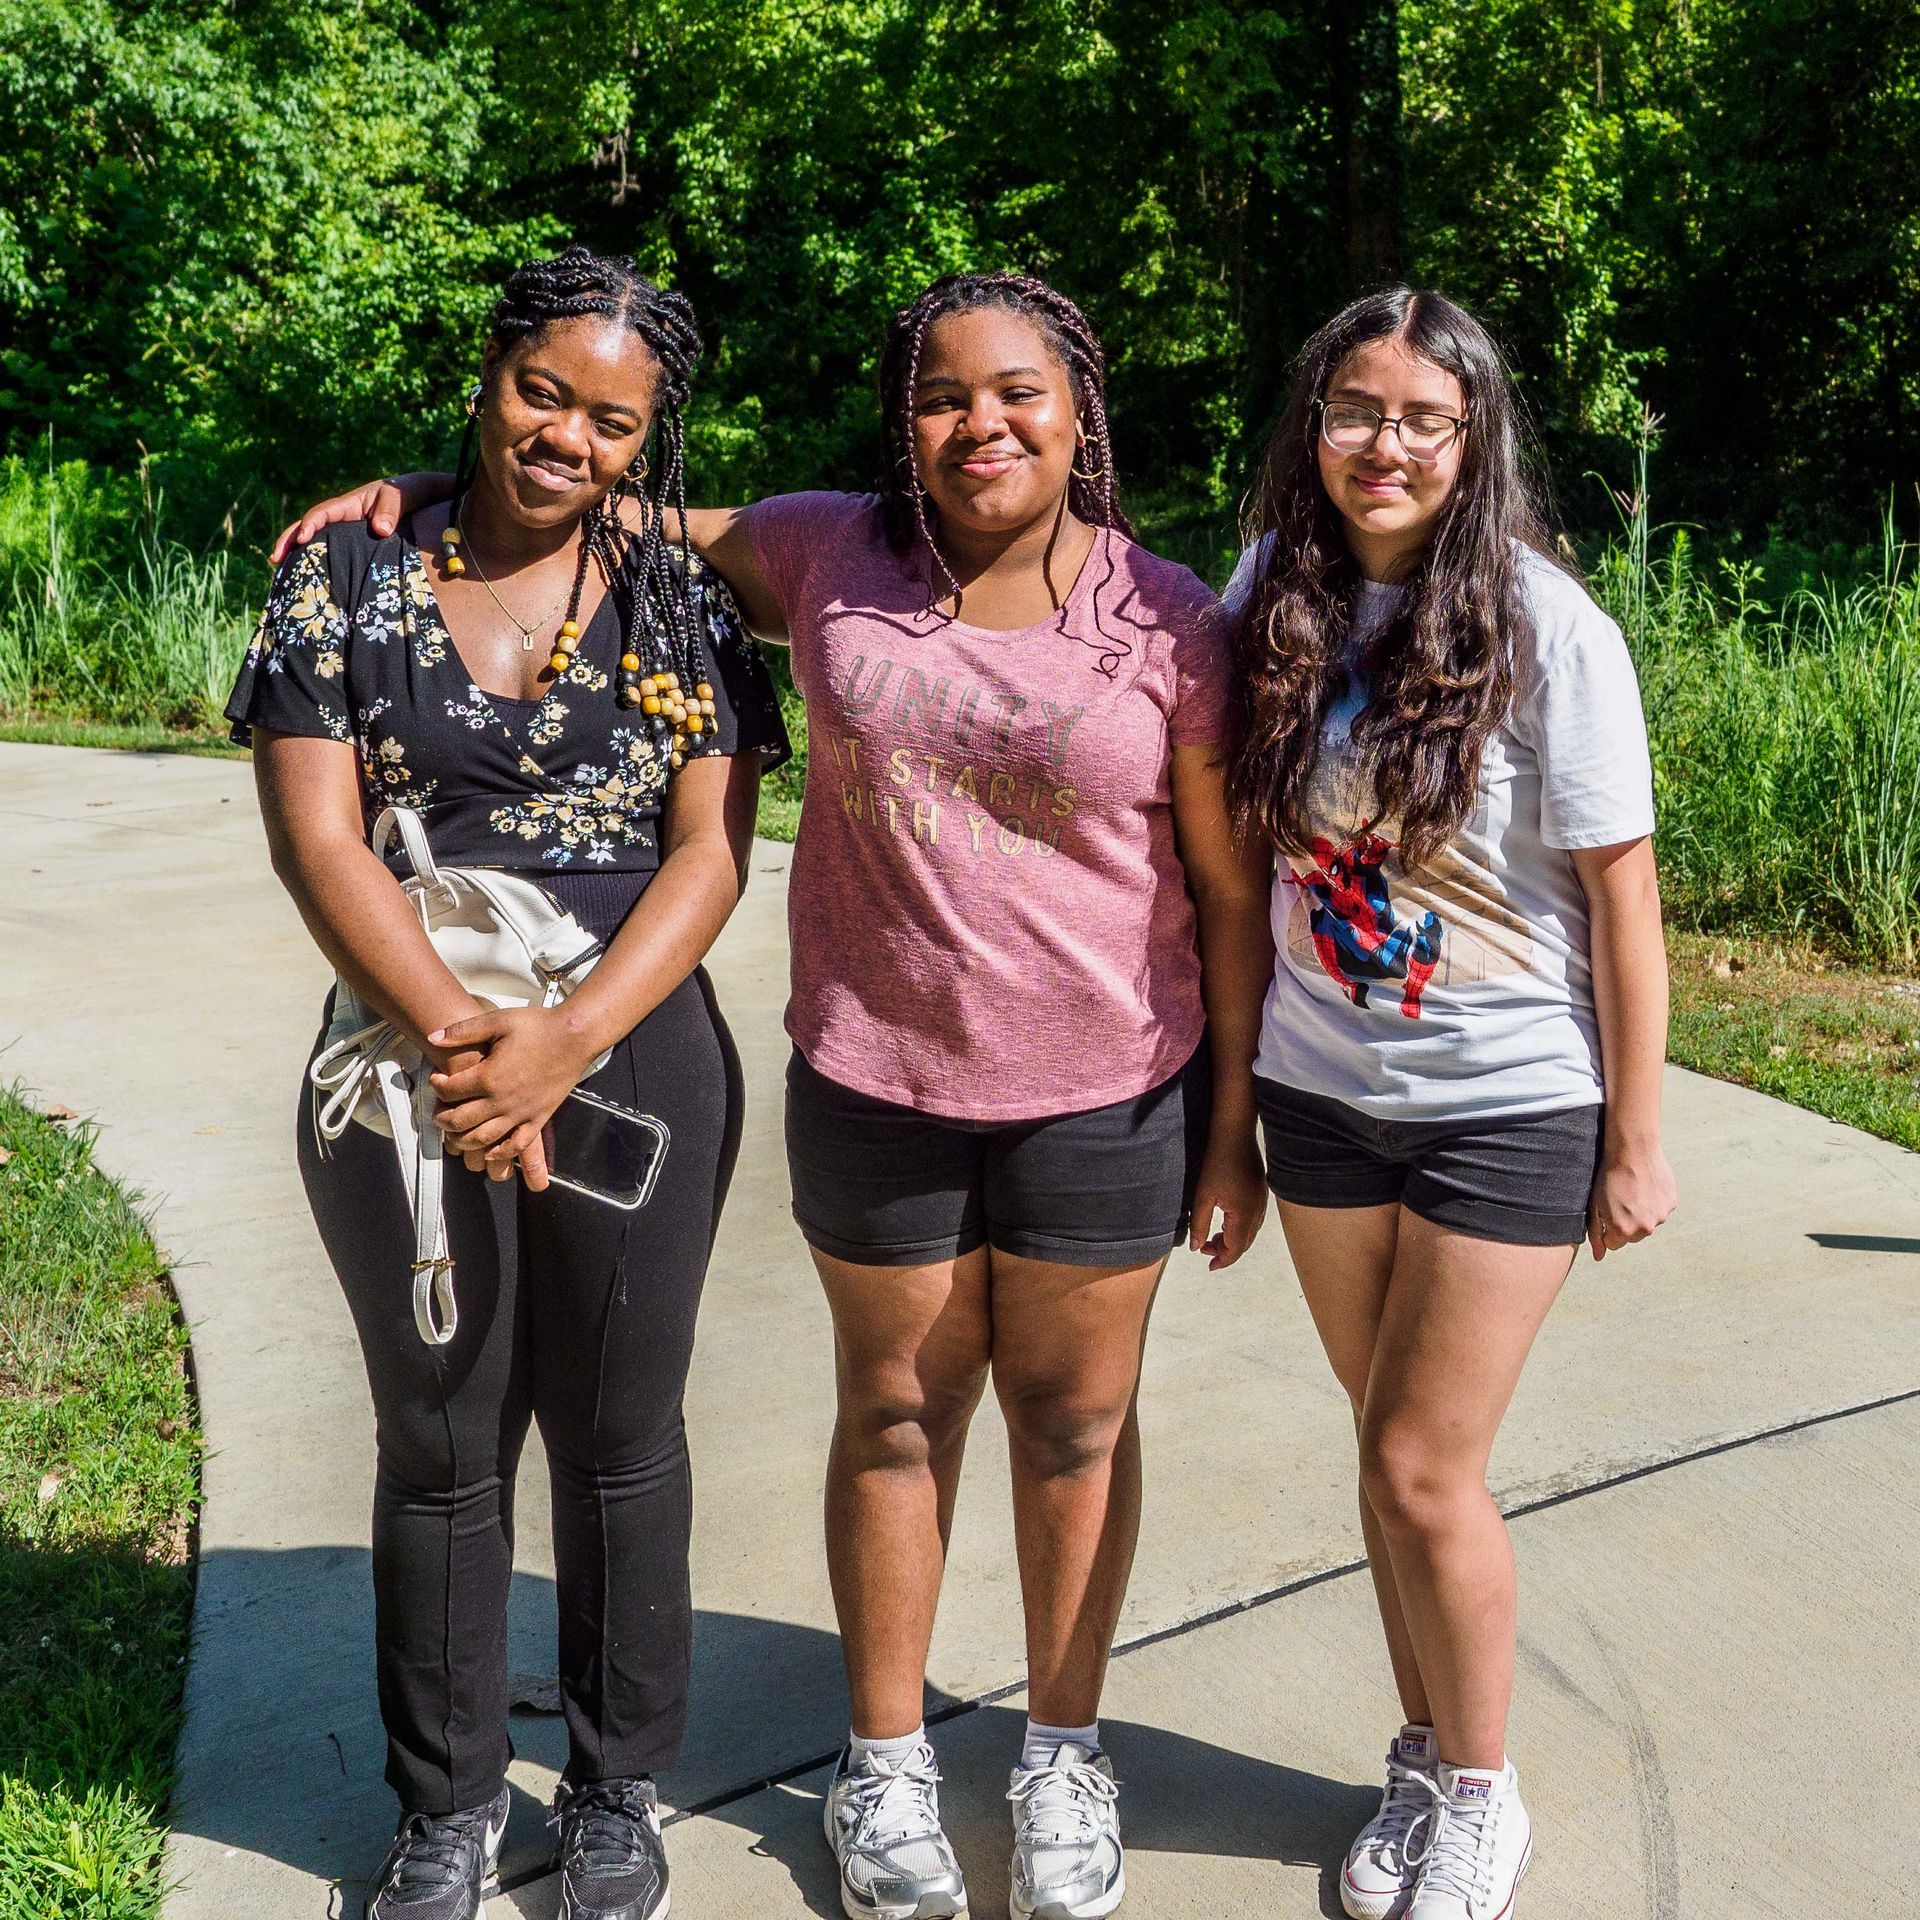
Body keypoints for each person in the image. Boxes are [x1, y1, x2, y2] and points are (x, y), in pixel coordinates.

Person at [280, 269, 1273, 1920]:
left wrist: (1229, 1123)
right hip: (844, 1080)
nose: (982, 423)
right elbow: (579, 513)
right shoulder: (822, 553)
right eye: (944, 394)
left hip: (1095, 1086)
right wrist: (415, 494)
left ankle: (1033, 1756)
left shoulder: (1169, 617)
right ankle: (841, 1769)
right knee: (847, 1419)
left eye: (1019, 390)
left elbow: (1226, 893)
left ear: (1081, 405)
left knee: (1055, 1427)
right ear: (905, 421)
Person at [233, 245, 788, 1920]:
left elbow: (712, 855)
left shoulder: (678, 598)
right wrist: (466, 1043)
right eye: (541, 391)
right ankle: (448, 1811)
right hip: (401, 1080)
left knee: (620, 1437)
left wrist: (566, 1043)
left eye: (611, 420)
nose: (566, 436)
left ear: (646, 438)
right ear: (489, 373)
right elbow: (313, 833)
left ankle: (620, 1794)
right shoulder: (344, 578)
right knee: (439, 1438)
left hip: (632, 1062)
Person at [1221, 287, 1677, 1920]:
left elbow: (1622, 898)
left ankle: (1484, 1796)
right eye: (1355, 411)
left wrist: (1635, 1133)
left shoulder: (1556, 630)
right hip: (1324, 1096)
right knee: (1386, 1451)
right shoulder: (1272, 593)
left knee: (1424, 1460)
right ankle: (1425, 1750)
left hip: (1511, 1104)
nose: (1383, 445)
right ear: (1315, 427)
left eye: (1423, 418)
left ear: (1473, 441)